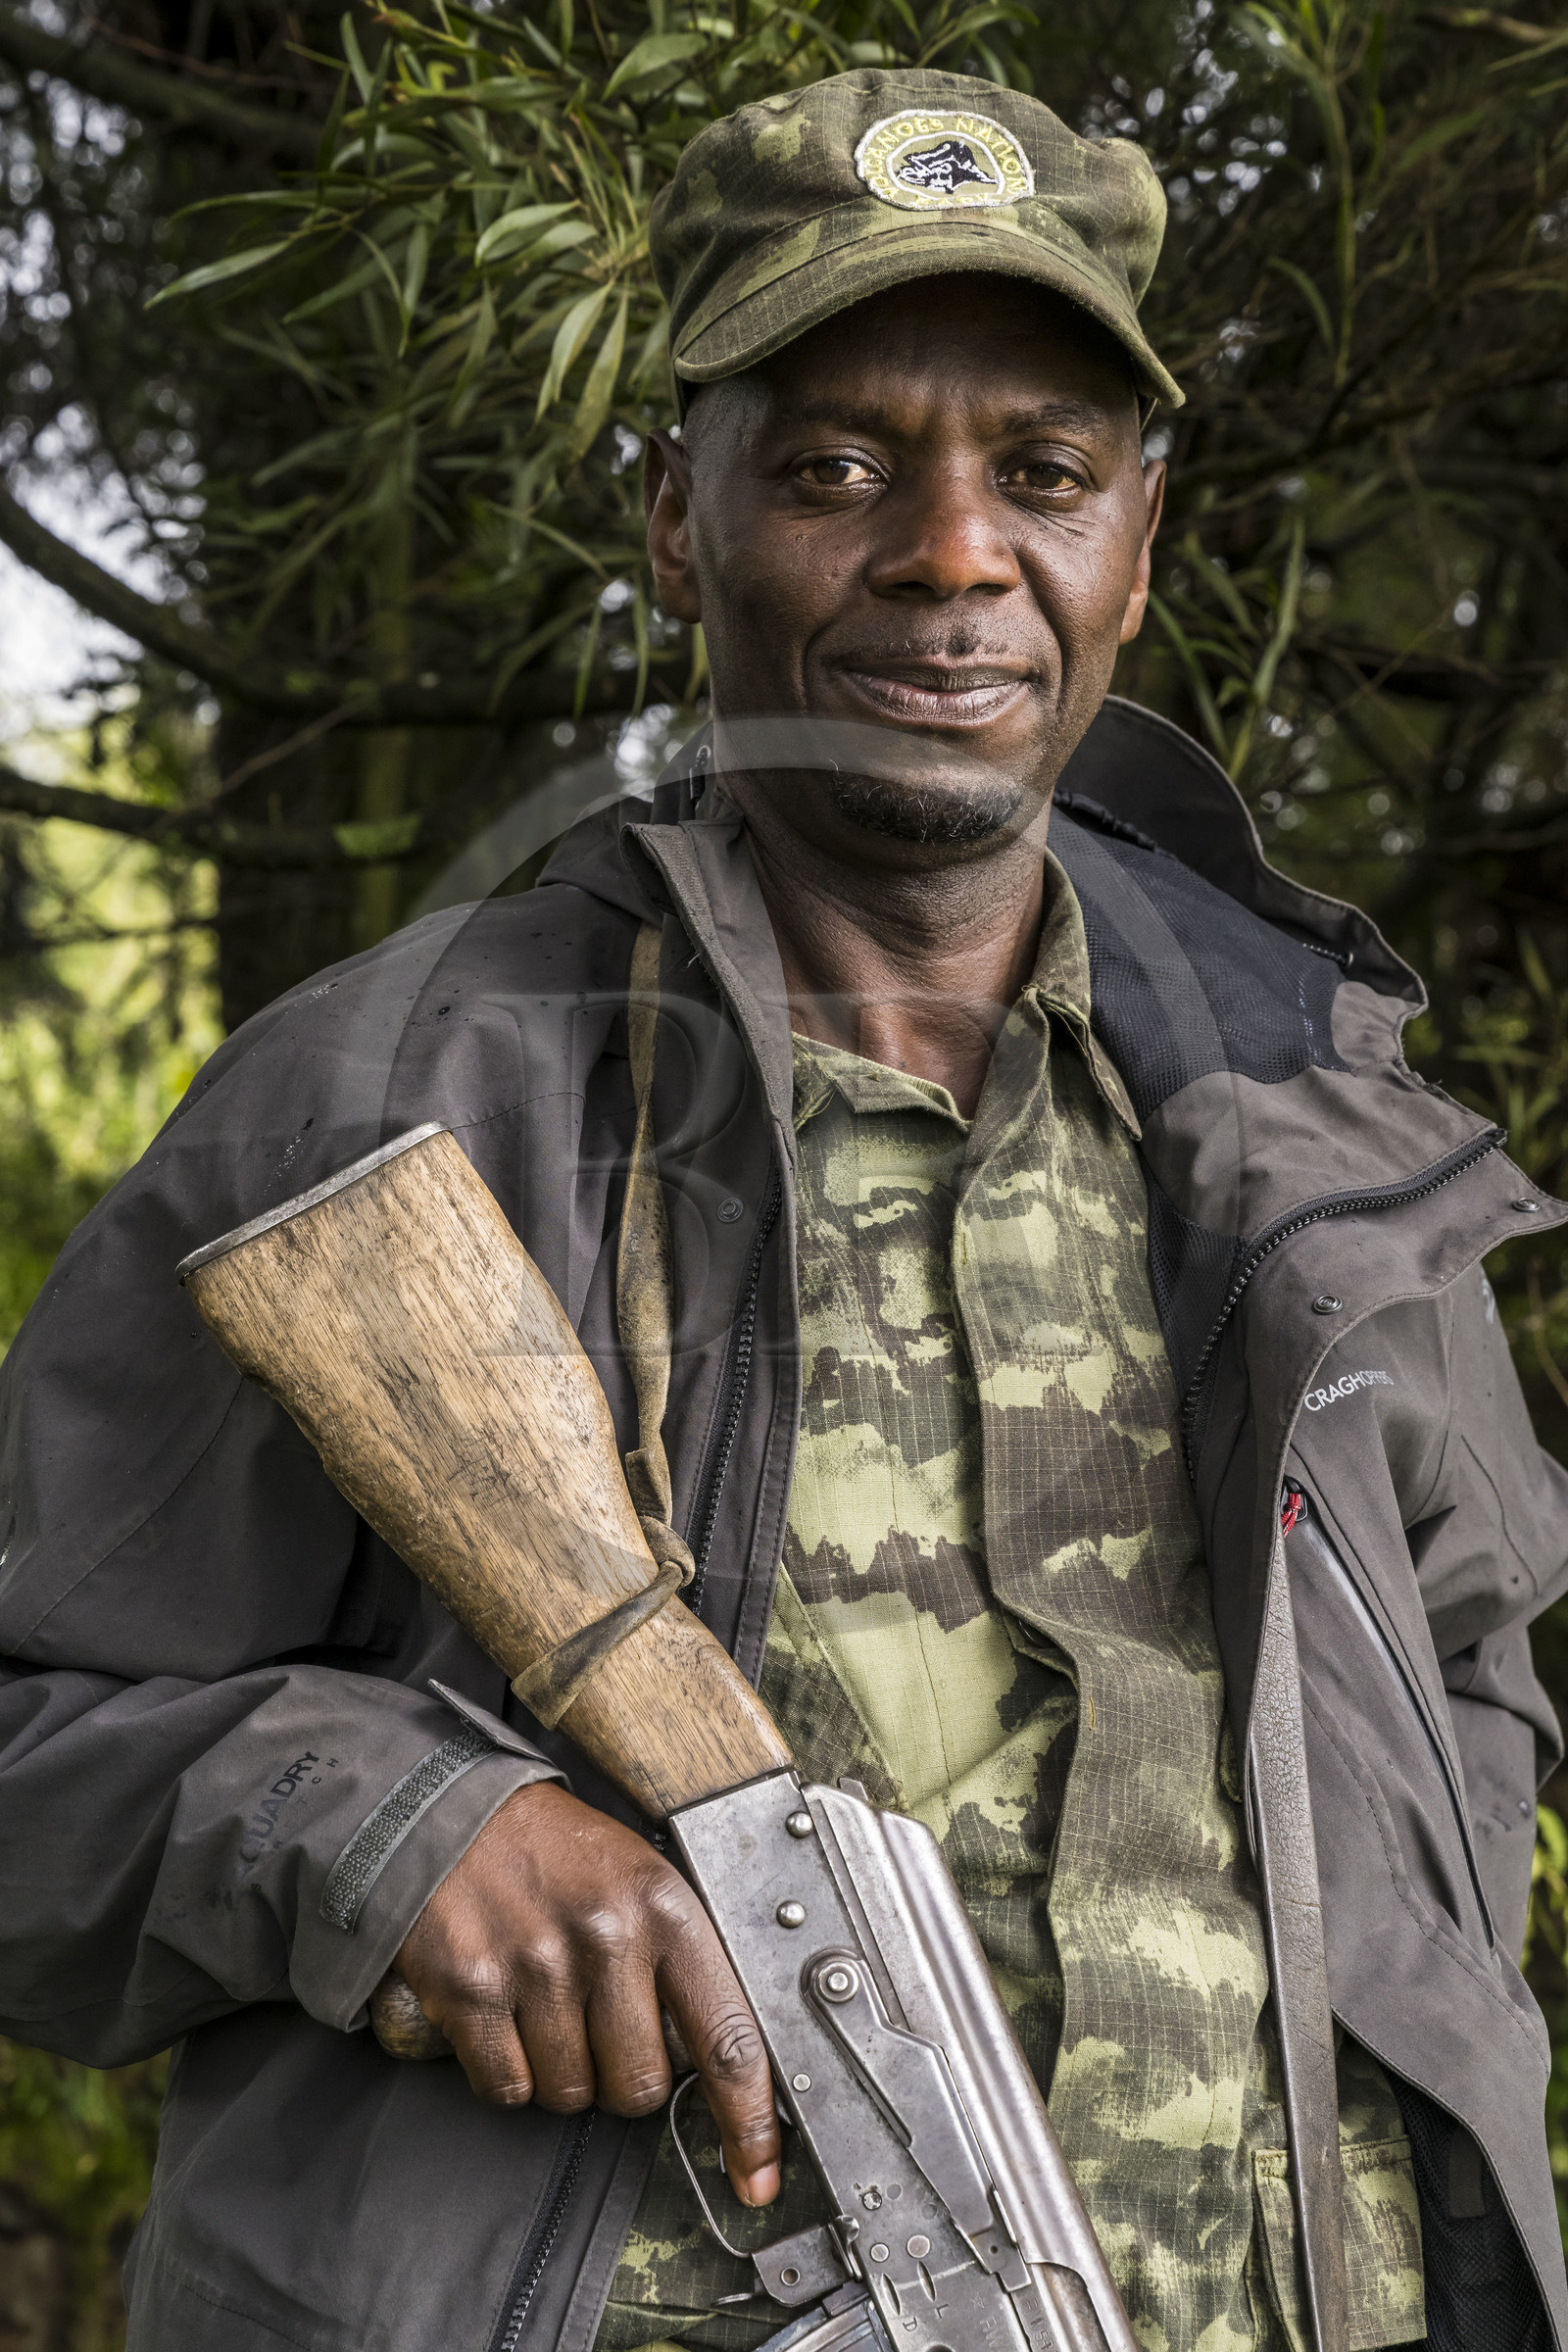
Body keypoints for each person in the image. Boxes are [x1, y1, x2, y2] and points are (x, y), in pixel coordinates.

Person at [0, 62, 1564, 2352]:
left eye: (1041, 475)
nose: (951, 554)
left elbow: (1461, 1733)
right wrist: (386, 1834)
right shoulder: (386, 1111)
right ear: (674, 521)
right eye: (833, 468)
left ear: (1137, 544)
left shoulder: (1329, 1145)